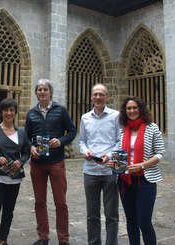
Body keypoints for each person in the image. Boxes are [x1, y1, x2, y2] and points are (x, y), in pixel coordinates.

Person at [25, 79, 77, 245]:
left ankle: (63, 239)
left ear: (50, 92)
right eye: (39, 89)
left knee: (60, 202)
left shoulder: (60, 110)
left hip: (56, 162)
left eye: (45, 89)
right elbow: (26, 137)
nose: (42, 92)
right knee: (40, 202)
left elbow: (72, 131)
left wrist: (61, 141)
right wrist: (30, 147)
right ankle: (43, 237)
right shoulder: (31, 113)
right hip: (37, 163)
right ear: (36, 92)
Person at [107, 96, 165, 245]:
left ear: (141, 109)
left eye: (135, 107)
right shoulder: (122, 129)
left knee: (144, 222)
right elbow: (117, 150)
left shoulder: (152, 128)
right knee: (131, 222)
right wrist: (112, 161)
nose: (132, 111)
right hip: (125, 181)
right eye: (128, 108)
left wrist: (142, 165)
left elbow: (160, 154)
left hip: (145, 180)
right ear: (124, 111)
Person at [0, 98, 30, 245]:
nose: (8, 113)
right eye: (5, 110)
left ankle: (3, 239)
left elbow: (26, 152)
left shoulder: (21, 133)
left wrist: (21, 162)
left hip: (14, 177)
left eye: (11, 110)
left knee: (9, 211)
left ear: (15, 112)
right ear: (1, 112)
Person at [78, 83, 120, 245]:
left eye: (101, 94)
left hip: (110, 171)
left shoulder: (116, 116)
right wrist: (85, 151)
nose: (98, 97)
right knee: (92, 214)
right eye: (95, 94)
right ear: (91, 97)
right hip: (90, 171)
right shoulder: (85, 117)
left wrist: (109, 156)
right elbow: (82, 141)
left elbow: (119, 141)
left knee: (111, 214)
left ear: (107, 97)